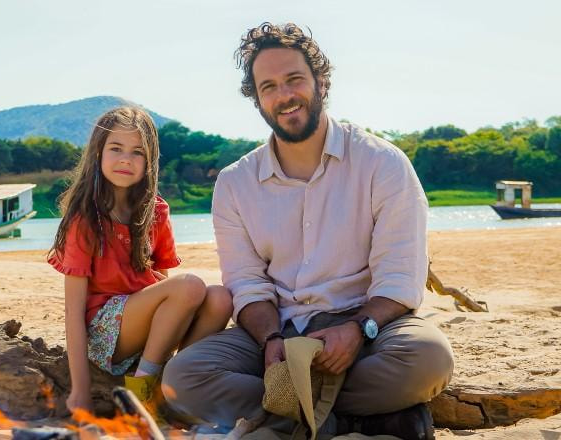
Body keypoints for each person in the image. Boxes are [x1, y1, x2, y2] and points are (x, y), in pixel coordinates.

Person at [162, 23, 454, 439]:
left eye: (294, 79)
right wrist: (270, 340)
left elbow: (400, 276)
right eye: (269, 86)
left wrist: (355, 329)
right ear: (258, 99)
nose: (284, 96)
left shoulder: (382, 163)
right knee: (183, 379)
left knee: (429, 359)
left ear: (320, 81)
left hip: (367, 327)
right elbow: (247, 283)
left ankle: (288, 414)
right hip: (279, 333)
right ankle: (357, 419)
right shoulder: (234, 183)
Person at [48, 106, 232, 413]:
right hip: (104, 334)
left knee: (220, 299)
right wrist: (80, 390)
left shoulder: (155, 211)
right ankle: (143, 393)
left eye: (137, 152)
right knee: (190, 286)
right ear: (98, 153)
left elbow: (167, 291)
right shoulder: (85, 218)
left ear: (149, 161)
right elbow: (73, 309)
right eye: (116, 148)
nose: (125, 159)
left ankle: (175, 385)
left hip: (144, 325)